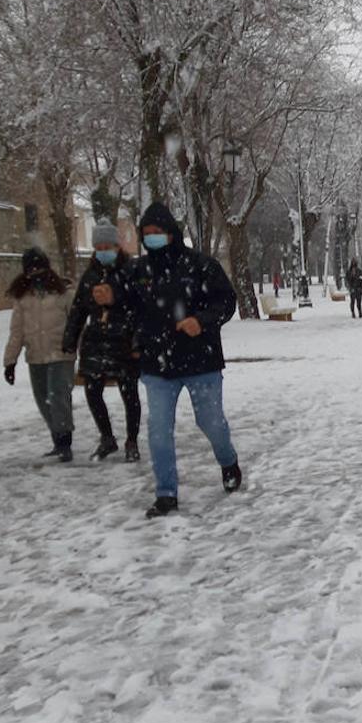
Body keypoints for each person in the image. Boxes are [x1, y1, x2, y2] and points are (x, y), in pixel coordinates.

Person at [107, 201, 242, 518]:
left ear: (171, 233)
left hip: (201, 361)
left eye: (158, 232)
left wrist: (201, 320)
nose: (151, 237)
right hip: (158, 366)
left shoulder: (200, 265)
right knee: (158, 430)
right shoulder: (138, 271)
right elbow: (126, 309)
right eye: (147, 233)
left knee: (210, 422)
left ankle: (228, 461)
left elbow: (226, 300)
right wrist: (112, 301)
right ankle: (166, 493)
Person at [62, 220, 142, 462]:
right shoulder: (90, 275)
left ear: (117, 247)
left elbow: (140, 306)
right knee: (92, 391)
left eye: (109, 246)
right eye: (100, 247)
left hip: (124, 342)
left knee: (129, 393)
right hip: (96, 341)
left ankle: (132, 440)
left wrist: (114, 299)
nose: (104, 250)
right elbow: (78, 310)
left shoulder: (130, 271)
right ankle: (107, 437)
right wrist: (70, 339)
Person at [4, 248, 77, 462]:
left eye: (39, 268)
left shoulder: (64, 293)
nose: (36, 273)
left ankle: (65, 442)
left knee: (58, 397)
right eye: (31, 269)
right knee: (43, 399)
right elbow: (17, 330)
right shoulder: (22, 297)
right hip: (35, 354)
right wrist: (10, 361)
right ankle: (56, 438)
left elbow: (75, 323)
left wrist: (76, 346)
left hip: (61, 353)